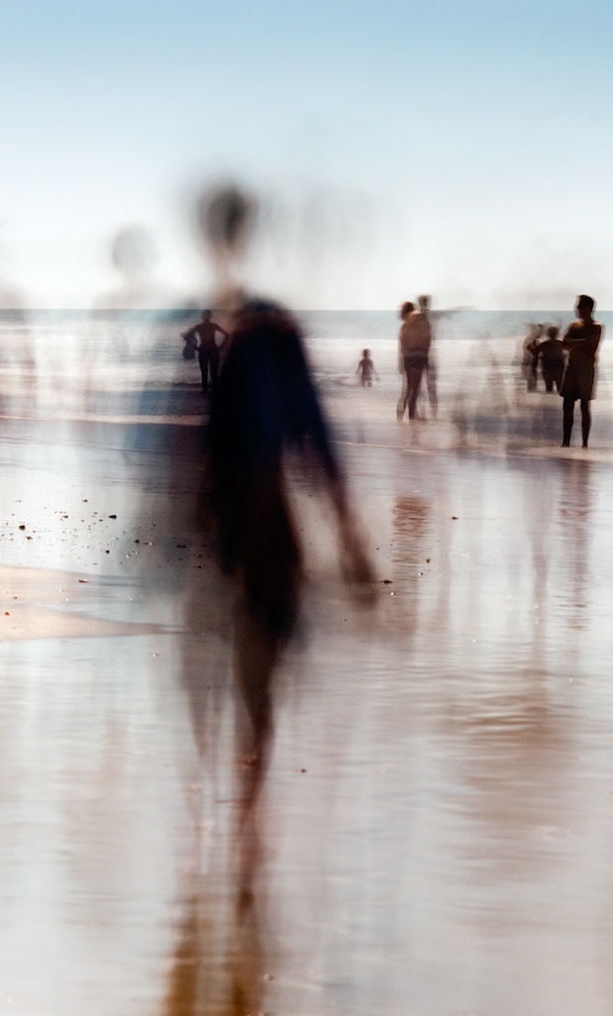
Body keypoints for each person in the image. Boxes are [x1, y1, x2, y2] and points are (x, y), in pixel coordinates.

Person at [188, 182, 375, 911]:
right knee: (255, 681)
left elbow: (212, 448)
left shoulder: (233, 328)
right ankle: (244, 815)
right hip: (260, 527)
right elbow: (312, 437)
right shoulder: (272, 331)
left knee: (232, 672)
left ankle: (232, 812)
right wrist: (350, 536)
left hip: (229, 524)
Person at [560, 295, 603, 447]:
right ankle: (566, 442)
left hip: (586, 370)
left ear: (588, 308)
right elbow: (565, 343)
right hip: (572, 368)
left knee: (585, 406)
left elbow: (591, 343)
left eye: (579, 306)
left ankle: (585, 443)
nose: (576, 308)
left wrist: (575, 344)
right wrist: (580, 344)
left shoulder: (597, 326)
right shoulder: (573, 326)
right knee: (567, 406)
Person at [397, 300, 431, 422]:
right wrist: (426, 358)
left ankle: (400, 418)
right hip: (418, 356)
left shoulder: (404, 325)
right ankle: (411, 419)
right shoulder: (419, 318)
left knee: (408, 389)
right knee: (415, 389)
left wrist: (401, 362)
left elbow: (402, 346)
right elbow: (427, 341)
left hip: (408, 357)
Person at [183, 309, 229, 394]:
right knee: (213, 372)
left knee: (204, 372)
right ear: (210, 316)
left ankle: (205, 391)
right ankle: (214, 391)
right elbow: (227, 335)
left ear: (202, 317)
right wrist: (222, 346)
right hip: (212, 349)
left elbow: (186, 336)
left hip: (203, 349)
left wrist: (195, 347)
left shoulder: (199, 326)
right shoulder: (213, 325)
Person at [538, 325, 565, 395]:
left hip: (548, 367)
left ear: (548, 334)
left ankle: (549, 403)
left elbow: (532, 350)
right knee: (560, 388)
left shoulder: (544, 344)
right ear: (557, 334)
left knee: (549, 388)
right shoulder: (561, 344)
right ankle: (557, 404)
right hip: (558, 367)